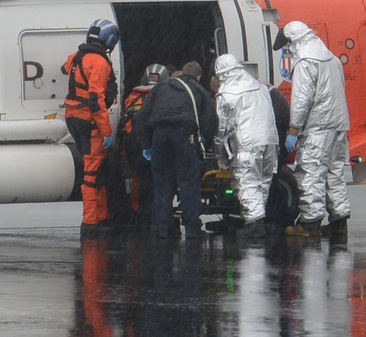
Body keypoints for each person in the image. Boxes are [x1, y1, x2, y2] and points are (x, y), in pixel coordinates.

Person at [272, 20, 351, 236]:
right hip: (338, 126)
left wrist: (294, 129)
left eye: (287, 46)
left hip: (317, 127)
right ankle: (340, 222)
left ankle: (309, 224)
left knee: (310, 173)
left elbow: (301, 99)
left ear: (293, 41)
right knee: (334, 173)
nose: (288, 50)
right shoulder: (332, 59)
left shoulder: (305, 61)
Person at [137, 60, 217, 240]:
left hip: (159, 135)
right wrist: (203, 145)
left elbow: (143, 115)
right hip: (184, 134)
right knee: (188, 182)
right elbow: (210, 121)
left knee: (162, 183)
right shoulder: (199, 91)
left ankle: (164, 228)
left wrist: (146, 145)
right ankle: (192, 229)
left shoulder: (161, 87)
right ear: (198, 77)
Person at [63, 18, 120, 238]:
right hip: (89, 120)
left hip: (73, 117)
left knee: (98, 170)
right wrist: (107, 132)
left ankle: (101, 217)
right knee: (92, 172)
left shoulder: (77, 57)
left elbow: (64, 67)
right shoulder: (100, 63)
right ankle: (90, 223)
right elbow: (96, 100)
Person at [213, 54, 279, 238]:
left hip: (247, 143)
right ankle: (258, 220)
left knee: (246, 182)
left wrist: (219, 154)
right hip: (270, 140)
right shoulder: (259, 86)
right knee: (263, 182)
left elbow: (221, 127)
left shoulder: (226, 93)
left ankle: (255, 225)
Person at [117, 63, 169, 231]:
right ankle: (157, 217)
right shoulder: (163, 95)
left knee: (138, 179)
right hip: (152, 141)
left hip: (133, 143)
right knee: (158, 180)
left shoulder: (132, 95)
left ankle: (140, 215)